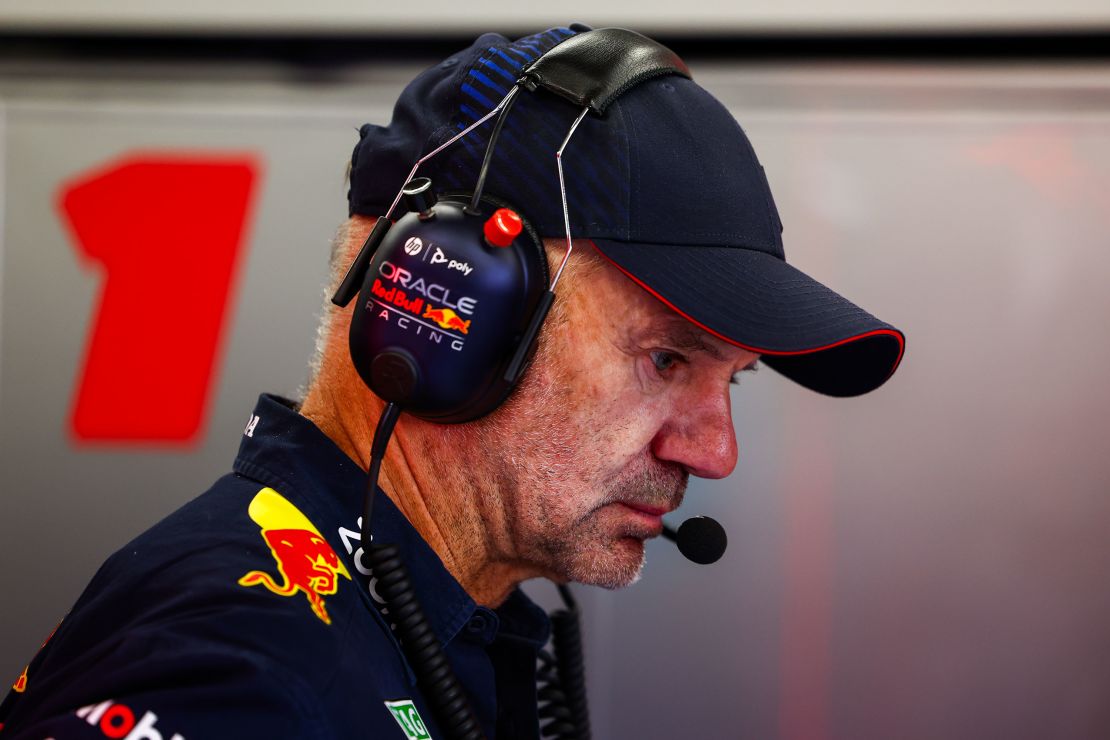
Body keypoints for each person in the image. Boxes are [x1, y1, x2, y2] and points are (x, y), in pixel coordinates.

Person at [0, 26, 903, 740]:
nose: (714, 452)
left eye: (734, 381)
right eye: (667, 359)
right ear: (447, 312)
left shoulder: (420, 626)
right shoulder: (245, 668)